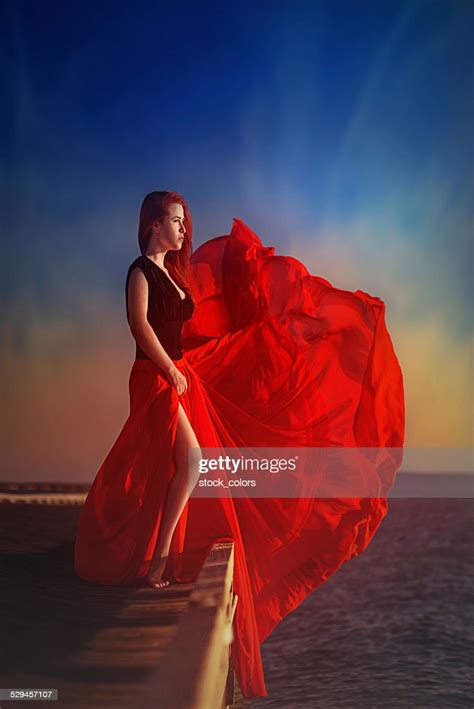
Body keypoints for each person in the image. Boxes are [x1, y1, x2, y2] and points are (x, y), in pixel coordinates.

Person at [74, 191, 405, 700]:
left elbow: (196, 321)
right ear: (153, 224)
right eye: (177, 222)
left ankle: (153, 554)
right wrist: (168, 370)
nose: (185, 230)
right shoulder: (139, 271)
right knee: (190, 461)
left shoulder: (173, 275)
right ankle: (156, 562)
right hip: (155, 377)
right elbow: (139, 326)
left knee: (171, 463)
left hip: (181, 375)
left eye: (185, 222)